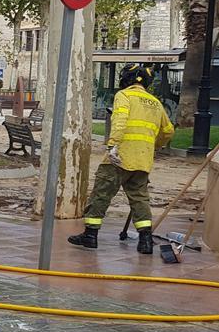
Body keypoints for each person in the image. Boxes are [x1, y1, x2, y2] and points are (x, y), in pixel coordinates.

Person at [68, 63, 174, 254]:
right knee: (140, 199)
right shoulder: (155, 102)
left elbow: (120, 121)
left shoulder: (123, 96)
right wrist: (154, 146)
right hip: (142, 160)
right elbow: (168, 131)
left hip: (119, 158)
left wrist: (113, 145)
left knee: (102, 194)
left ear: (127, 79)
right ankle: (145, 240)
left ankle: (90, 235)